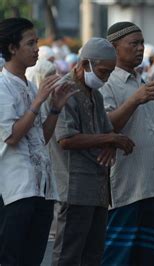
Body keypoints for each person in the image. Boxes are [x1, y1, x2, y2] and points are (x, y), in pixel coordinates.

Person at [98, 22, 154, 266]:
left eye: (141, 43)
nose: (140, 49)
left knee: (146, 258)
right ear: (114, 48)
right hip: (127, 186)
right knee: (118, 257)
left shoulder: (142, 82)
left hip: (152, 185)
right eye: (133, 44)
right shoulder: (107, 83)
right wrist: (134, 101)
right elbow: (106, 128)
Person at [49, 37, 136, 265]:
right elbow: (65, 139)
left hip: (97, 188)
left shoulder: (95, 94)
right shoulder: (64, 90)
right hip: (74, 187)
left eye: (109, 72)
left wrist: (110, 143)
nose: (105, 77)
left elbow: (107, 131)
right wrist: (109, 138)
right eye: (103, 71)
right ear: (85, 64)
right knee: (68, 255)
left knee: (93, 255)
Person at [0, 17, 76, 265]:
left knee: (32, 259)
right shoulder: (3, 86)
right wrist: (38, 101)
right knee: (12, 258)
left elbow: (39, 138)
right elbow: (12, 136)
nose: (37, 49)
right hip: (15, 189)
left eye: (36, 42)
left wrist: (54, 108)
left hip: (40, 188)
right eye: (30, 43)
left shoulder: (30, 87)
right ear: (12, 48)